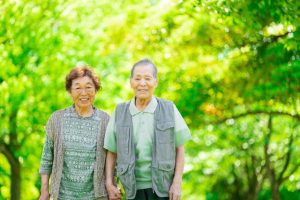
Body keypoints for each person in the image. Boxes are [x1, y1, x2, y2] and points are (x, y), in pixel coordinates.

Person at [104, 59, 191, 200]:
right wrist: (110, 183)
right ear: (131, 82)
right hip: (131, 190)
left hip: (164, 188)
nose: (142, 83)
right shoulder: (120, 112)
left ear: (155, 82)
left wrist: (177, 182)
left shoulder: (169, 109)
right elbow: (111, 151)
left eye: (147, 78)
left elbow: (180, 148)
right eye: (137, 78)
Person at [39, 66, 110, 200]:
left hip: (96, 196)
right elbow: (46, 157)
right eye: (77, 88)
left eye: (89, 87)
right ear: (70, 91)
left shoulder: (106, 120)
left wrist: (111, 185)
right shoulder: (57, 119)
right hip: (63, 196)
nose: (84, 93)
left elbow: (113, 161)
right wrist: (44, 190)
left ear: (96, 90)